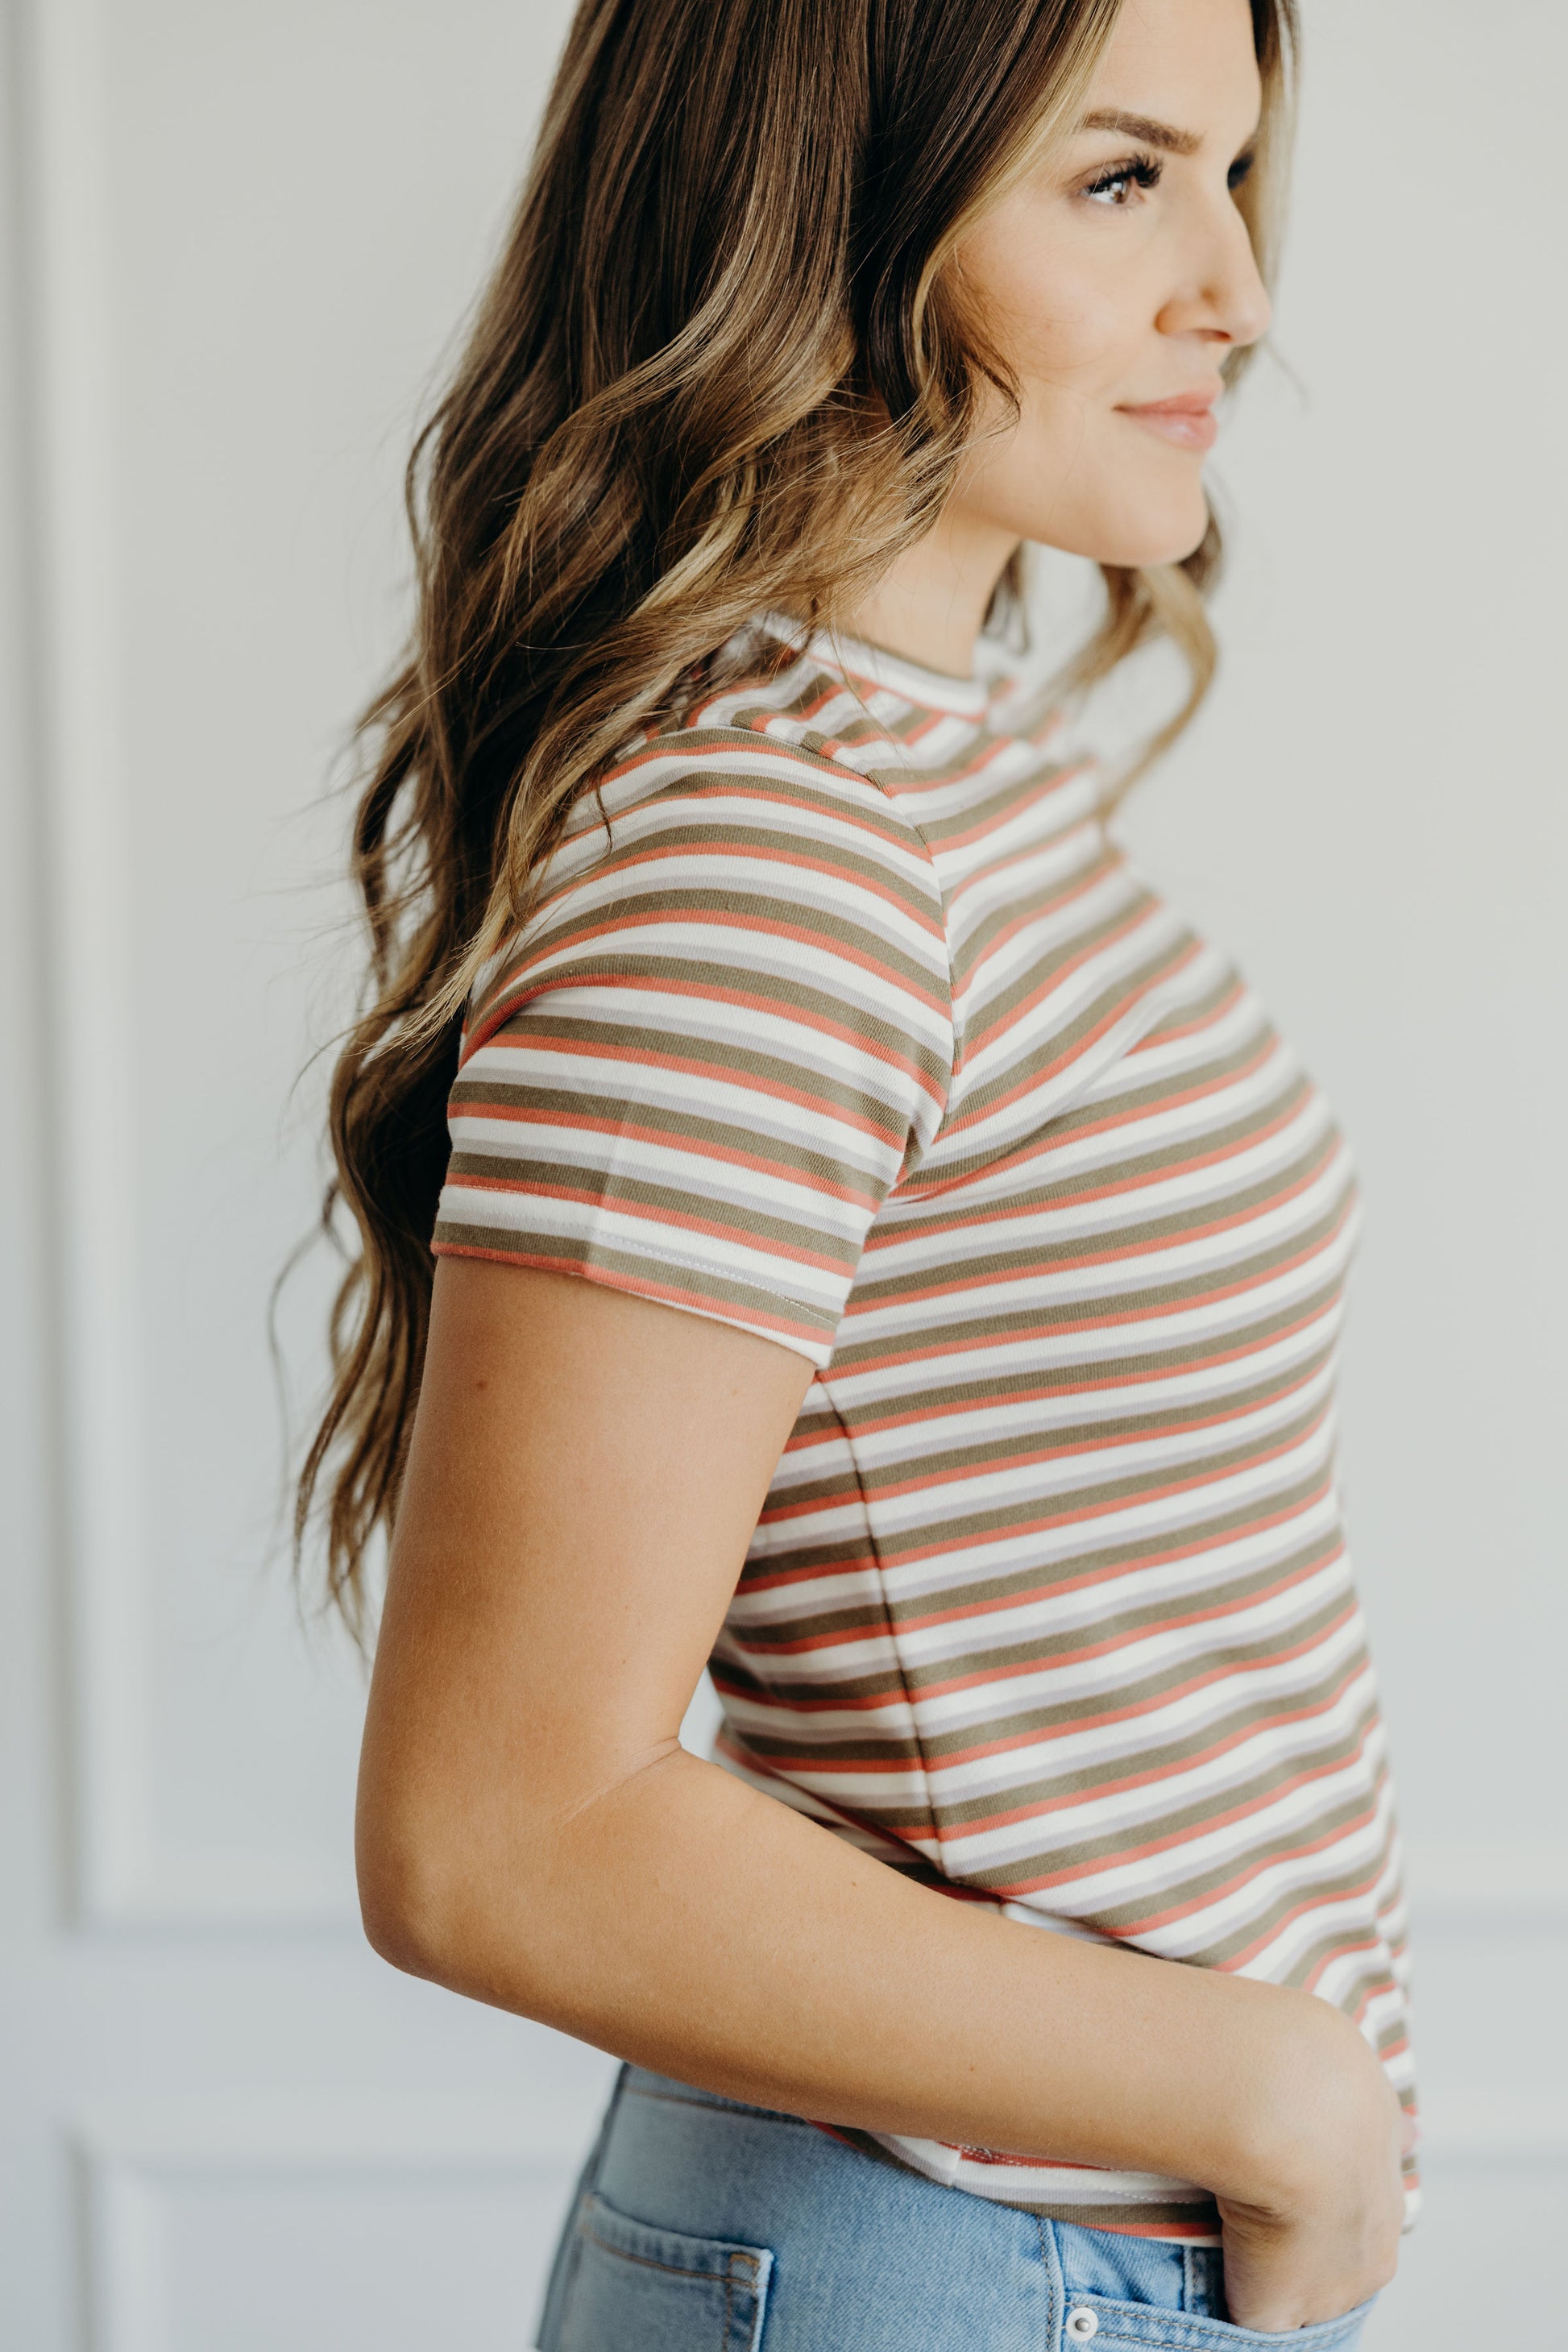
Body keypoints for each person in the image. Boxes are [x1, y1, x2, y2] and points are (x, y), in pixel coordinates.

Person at [299, 0, 1417, 2342]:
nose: (1231, 283)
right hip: (957, 2265)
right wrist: (1272, 2093)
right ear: (831, 219)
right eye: (1116, 180)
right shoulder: (768, 863)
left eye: (1226, 172)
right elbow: (499, 1832)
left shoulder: (919, 782)